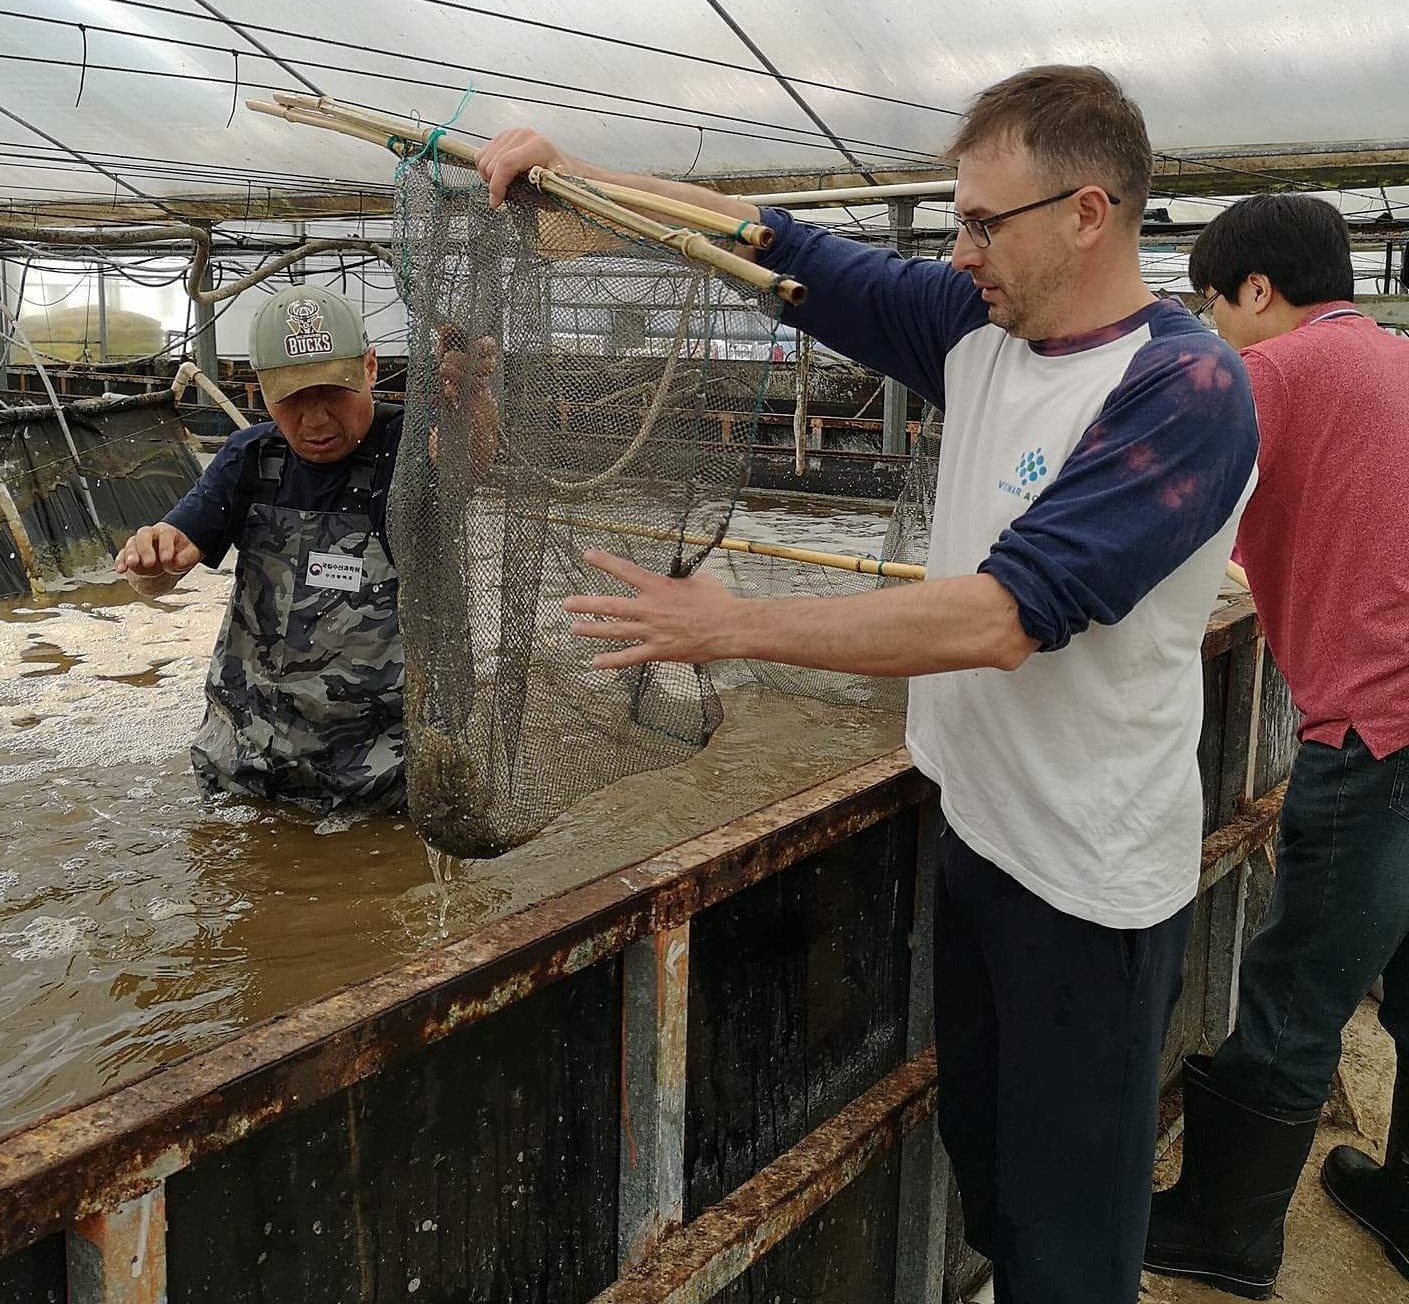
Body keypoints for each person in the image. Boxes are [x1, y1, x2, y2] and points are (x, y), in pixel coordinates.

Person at [476, 65, 1258, 1304]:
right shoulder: (976, 326)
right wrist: (576, 183)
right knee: (991, 1174)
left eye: (982, 223)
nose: (960, 251)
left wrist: (739, 627)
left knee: (1071, 1241)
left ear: (1088, 213)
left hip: (1089, 885)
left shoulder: (1185, 391)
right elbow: (772, 245)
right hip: (979, 834)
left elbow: (1004, 618)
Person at [1144, 195, 1409, 1297]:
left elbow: (1144, 496)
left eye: (1213, 301)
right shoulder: (1393, 360)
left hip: (1377, 729)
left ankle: (1226, 1234)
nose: (1212, 326)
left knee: (1295, 991)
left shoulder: (1270, 373)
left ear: (1258, 289)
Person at [115, 284, 495, 812]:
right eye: (291, 399)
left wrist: (473, 408)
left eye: (332, 392)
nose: (314, 421)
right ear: (262, 388)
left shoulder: (410, 451)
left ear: (369, 368)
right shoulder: (250, 458)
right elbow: (155, 578)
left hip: (383, 779)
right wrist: (151, 558)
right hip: (246, 768)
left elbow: (465, 467)